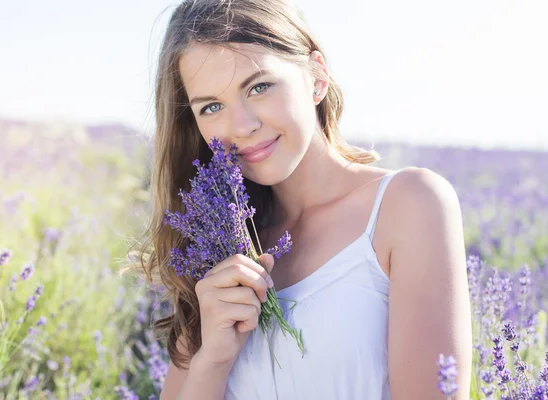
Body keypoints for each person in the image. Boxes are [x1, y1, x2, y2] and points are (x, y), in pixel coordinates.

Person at [140, 0, 473, 398]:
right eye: (212, 107)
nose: (242, 126)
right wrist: (212, 359)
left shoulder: (407, 206)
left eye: (259, 86)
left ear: (316, 77)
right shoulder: (210, 249)